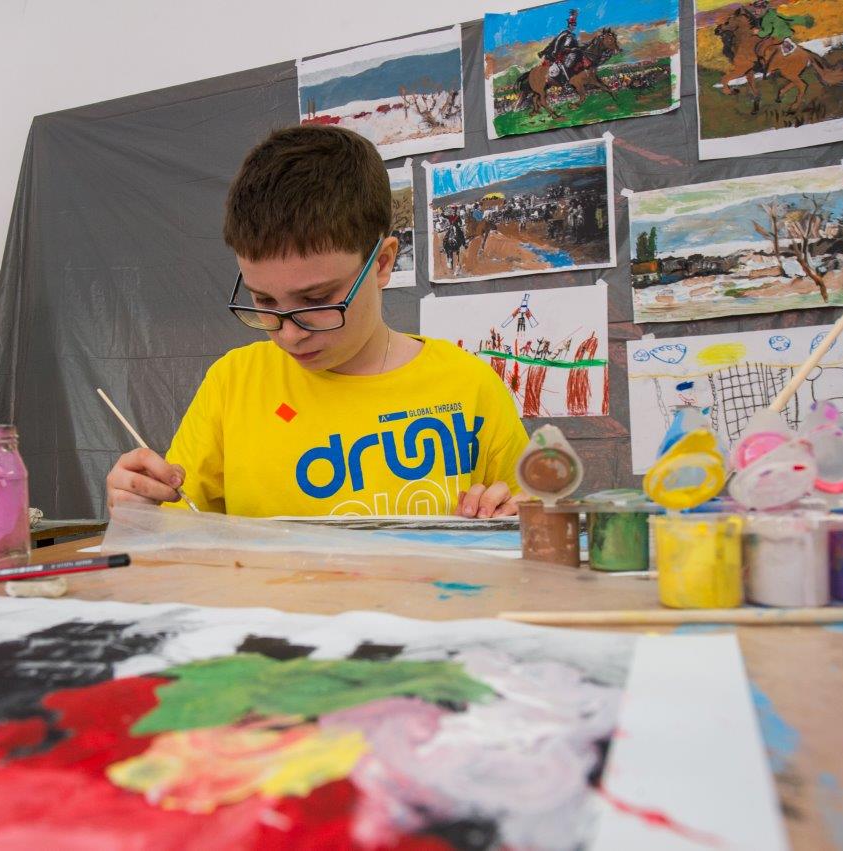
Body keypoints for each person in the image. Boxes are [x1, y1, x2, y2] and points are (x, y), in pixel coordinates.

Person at [105, 125, 529, 519]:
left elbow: (534, 522)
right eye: (264, 300)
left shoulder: (469, 386)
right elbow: (175, 535)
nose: (290, 334)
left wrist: (516, 519)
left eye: (317, 299)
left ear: (382, 263)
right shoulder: (233, 386)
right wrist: (139, 514)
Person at [539, 8, 581, 81]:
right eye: (572, 25)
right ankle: (566, 82)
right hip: (559, 55)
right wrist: (554, 52)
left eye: (575, 25)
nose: (574, 26)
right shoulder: (565, 33)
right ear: (569, 25)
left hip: (567, 54)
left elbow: (576, 47)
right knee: (565, 66)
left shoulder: (573, 35)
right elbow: (556, 42)